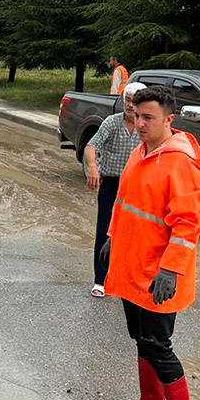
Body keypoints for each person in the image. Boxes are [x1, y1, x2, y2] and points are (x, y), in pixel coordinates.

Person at [103, 86, 200, 400]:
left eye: (149, 118)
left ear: (169, 120)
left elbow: (189, 223)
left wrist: (171, 269)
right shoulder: (140, 152)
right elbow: (124, 201)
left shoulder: (180, 162)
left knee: (158, 345)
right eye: (137, 115)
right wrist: (112, 237)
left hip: (160, 274)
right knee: (141, 339)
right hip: (133, 266)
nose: (140, 123)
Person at [84, 81, 144, 297]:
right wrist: (93, 167)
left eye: (135, 101)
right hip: (111, 184)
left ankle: (126, 280)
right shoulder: (112, 123)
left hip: (137, 187)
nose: (130, 105)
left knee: (134, 234)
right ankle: (100, 280)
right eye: (127, 99)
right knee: (105, 230)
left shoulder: (145, 126)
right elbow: (92, 146)